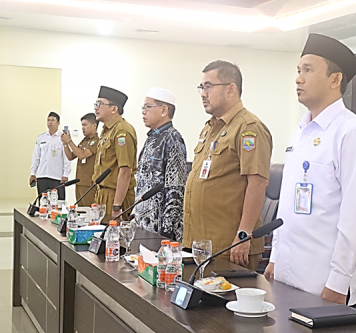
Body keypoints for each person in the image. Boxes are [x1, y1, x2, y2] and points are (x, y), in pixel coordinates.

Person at [264, 34, 356, 306]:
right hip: (287, 272)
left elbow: (355, 216)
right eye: (298, 71)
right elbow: (288, 207)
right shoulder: (301, 131)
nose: (298, 79)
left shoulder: (352, 133)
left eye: (308, 70)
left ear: (335, 79)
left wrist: (338, 282)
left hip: (322, 280)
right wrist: (275, 259)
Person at [182, 60, 273, 271]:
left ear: (231, 89)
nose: (203, 93)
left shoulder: (249, 128)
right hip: (201, 243)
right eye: (201, 87)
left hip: (228, 246)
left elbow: (257, 184)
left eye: (208, 86)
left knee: (226, 304)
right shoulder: (210, 128)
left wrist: (243, 236)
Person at [130, 87, 187, 241]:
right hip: (143, 224)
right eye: (143, 107)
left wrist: (168, 233)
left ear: (163, 110)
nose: (143, 111)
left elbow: (176, 189)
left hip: (160, 231)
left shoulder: (173, 139)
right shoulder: (152, 138)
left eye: (148, 107)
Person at [92, 86, 137, 224]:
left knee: (114, 241)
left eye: (100, 104)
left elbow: (125, 171)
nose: (95, 108)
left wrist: (117, 206)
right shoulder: (106, 131)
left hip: (115, 196)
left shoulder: (122, 131)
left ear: (113, 108)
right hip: (102, 194)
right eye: (95, 104)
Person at [30, 111, 71, 200]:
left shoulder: (62, 138)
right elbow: (36, 157)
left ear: (58, 123)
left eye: (53, 120)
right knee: (43, 202)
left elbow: (66, 158)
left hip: (57, 177)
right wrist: (33, 173)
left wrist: (66, 174)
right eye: (48, 120)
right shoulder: (41, 138)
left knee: (59, 203)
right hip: (42, 176)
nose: (50, 122)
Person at [61, 113, 100, 207]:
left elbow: (82, 155)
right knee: (80, 210)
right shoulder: (84, 141)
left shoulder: (96, 141)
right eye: (82, 125)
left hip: (89, 183)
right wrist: (65, 144)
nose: (83, 128)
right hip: (79, 181)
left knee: (88, 210)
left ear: (94, 126)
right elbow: (71, 156)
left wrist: (70, 141)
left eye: (85, 125)